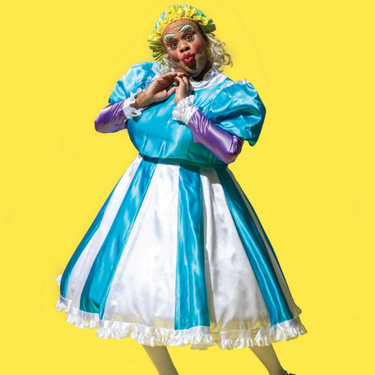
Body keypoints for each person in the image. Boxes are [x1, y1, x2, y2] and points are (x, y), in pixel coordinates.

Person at [55, 5, 307, 375]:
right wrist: (141, 101)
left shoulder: (229, 94)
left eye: (189, 36)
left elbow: (229, 150)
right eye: (172, 43)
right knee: (136, 288)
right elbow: (101, 124)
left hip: (205, 193)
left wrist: (189, 110)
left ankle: (277, 372)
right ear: (165, 53)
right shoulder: (145, 80)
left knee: (234, 288)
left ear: (205, 38)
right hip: (143, 195)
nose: (183, 48)